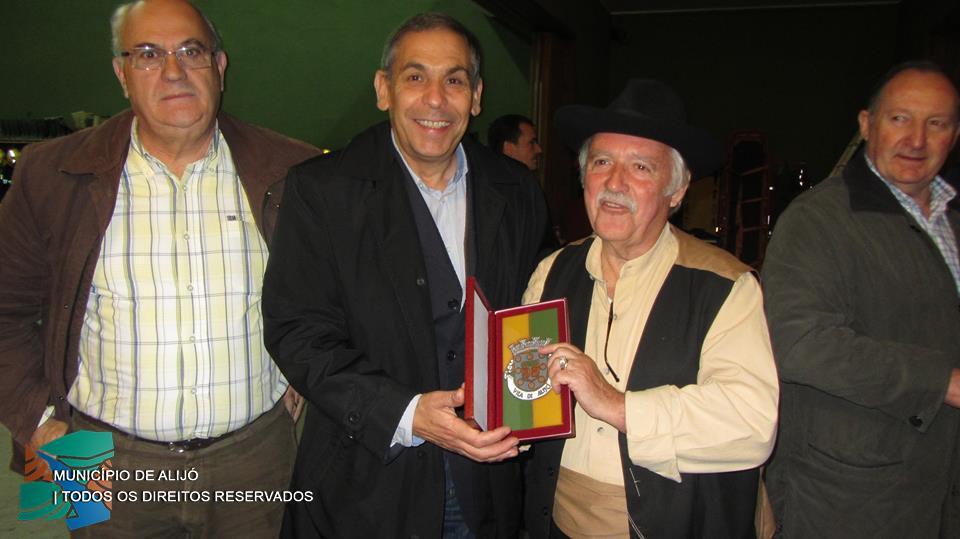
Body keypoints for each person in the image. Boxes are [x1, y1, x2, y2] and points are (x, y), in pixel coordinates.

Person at [0, 0, 318, 535]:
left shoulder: (292, 171)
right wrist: (39, 423)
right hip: (96, 457)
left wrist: (304, 369)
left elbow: (329, 295)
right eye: (148, 54)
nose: (173, 71)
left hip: (255, 457)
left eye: (191, 51)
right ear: (121, 74)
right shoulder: (51, 174)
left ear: (220, 67)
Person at [262, 12, 552, 538]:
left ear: (476, 97)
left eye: (454, 80)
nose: (435, 99)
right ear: (384, 89)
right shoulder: (321, 191)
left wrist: (531, 405)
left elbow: (535, 315)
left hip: (487, 481)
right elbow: (297, 332)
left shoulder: (517, 191)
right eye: (415, 77)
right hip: (368, 483)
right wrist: (405, 412)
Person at [522, 78, 779, 538]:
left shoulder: (725, 286)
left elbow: (752, 423)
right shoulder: (551, 271)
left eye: (640, 167)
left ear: (676, 192)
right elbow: (527, 395)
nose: (614, 183)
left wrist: (617, 405)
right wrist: (494, 414)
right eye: (602, 162)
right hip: (557, 522)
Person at [762, 61, 960, 537]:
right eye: (900, 119)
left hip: (941, 486)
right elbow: (799, 343)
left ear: (954, 135)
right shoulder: (818, 219)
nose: (916, 140)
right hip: (852, 498)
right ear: (867, 124)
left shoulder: (952, 219)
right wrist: (941, 382)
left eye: (936, 123)